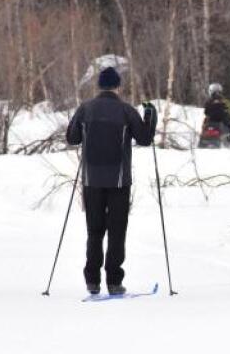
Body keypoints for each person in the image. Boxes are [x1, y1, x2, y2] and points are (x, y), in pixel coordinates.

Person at [66, 67, 157, 295]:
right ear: (118, 86)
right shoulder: (126, 111)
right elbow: (145, 139)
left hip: (91, 180)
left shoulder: (85, 109)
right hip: (119, 181)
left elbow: (72, 138)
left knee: (94, 231)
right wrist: (150, 118)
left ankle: (92, 280)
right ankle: (114, 281)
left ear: (99, 86)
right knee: (117, 231)